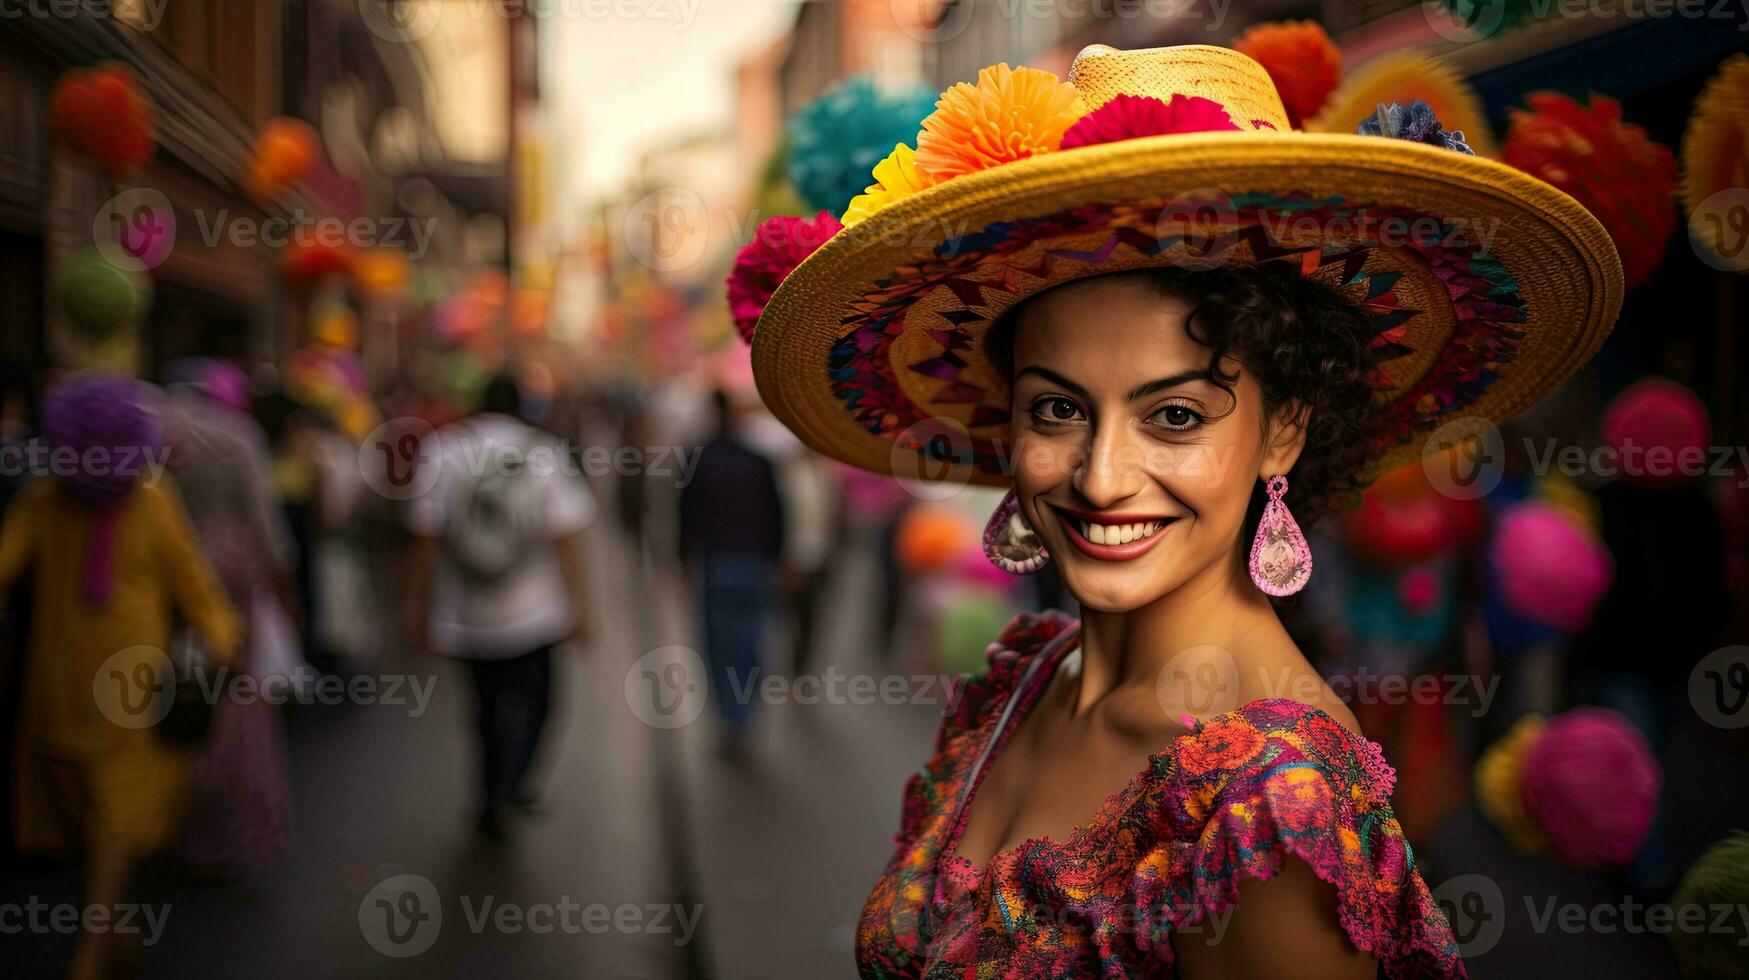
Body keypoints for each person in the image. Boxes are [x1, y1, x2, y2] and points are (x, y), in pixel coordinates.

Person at [730, 44, 1626, 977]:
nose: (1103, 476)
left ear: (1283, 431)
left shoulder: (1272, 805)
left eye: (1174, 416)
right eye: (1058, 409)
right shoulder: (1027, 679)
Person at [0, 376, 242, 979]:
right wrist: (220, 639)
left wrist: (219, 638)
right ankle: (115, 922)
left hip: (99, 687)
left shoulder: (51, 494)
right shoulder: (133, 496)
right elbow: (197, 585)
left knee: (106, 814)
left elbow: (193, 583)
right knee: (100, 816)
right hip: (113, 684)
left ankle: (90, 948)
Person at [405, 373, 593, 839]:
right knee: (541, 702)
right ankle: (516, 781)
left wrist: (418, 607)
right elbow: (566, 538)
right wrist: (583, 608)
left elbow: (424, 538)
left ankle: (490, 792)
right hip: (536, 614)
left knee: (483, 709)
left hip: (466, 614)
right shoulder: (544, 451)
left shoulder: (442, 451)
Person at [678, 390, 785, 758]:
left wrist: (682, 562)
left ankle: (730, 718)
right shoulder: (759, 461)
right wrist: (776, 559)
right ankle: (742, 717)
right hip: (753, 565)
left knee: (718, 649)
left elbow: (685, 516)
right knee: (750, 646)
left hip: (716, 565)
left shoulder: (698, 458)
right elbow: (777, 516)